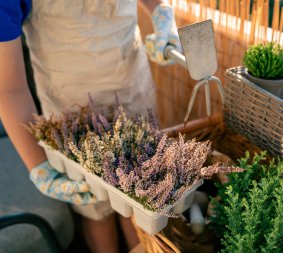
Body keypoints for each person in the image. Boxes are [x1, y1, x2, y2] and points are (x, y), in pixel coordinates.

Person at [0, 0, 181, 252]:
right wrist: (39, 168)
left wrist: (162, 16)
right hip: (71, 111)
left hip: (132, 90)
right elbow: (9, 88)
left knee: (142, 206)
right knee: (97, 212)